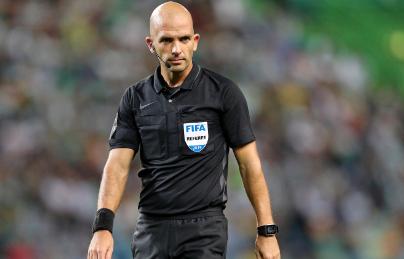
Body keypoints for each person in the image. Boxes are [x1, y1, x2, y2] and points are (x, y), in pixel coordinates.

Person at [87, 2, 280, 259]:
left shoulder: (223, 93)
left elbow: (249, 165)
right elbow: (117, 165)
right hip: (151, 229)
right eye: (166, 40)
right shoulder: (135, 98)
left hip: (203, 229)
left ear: (195, 41)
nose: (176, 48)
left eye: (184, 39)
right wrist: (102, 227)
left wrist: (266, 231)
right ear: (150, 44)